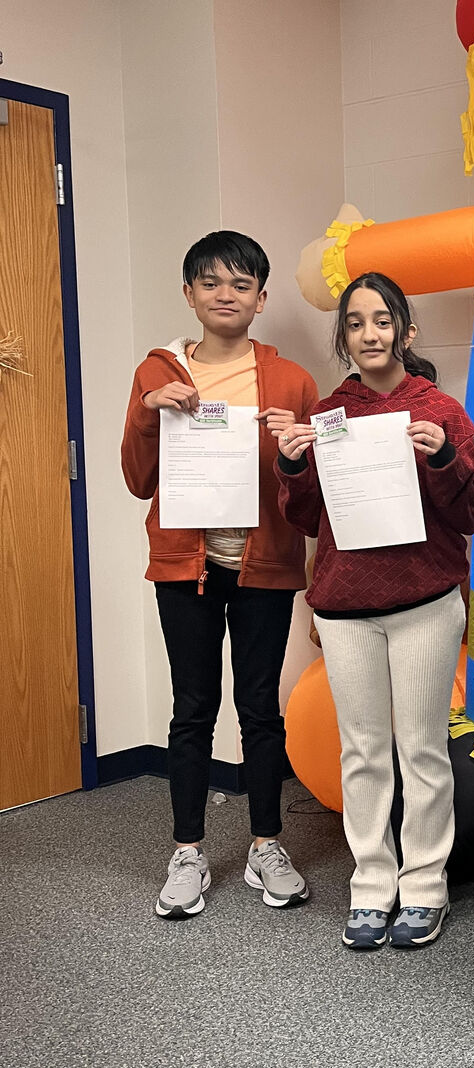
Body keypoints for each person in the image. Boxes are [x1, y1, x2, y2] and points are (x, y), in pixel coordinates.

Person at [275, 274, 474, 951]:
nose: (370, 334)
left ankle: (424, 886)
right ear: (344, 336)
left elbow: (472, 511)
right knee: (361, 751)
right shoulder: (327, 416)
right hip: (345, 608)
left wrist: (443, 456)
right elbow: (307, 519)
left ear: (406, 332)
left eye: (382, 320)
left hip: (425, 604)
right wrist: (293, 467)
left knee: (422, 750)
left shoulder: (439, 410)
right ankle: (370, 884)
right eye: (356, 322)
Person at [122, 231, 318, 919]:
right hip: (186, 568)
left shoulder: (293, 381)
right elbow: (137, 479)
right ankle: (188, 852)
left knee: (261, 708)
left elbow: (309, 500)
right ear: (189, 294)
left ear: (261, 299)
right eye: (210, 282)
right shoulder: (158, 373)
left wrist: (295, 452)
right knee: (192, 708)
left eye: (241, 284)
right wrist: (149, 414)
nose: (225, 294)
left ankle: (267, 844)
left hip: (265, 566)